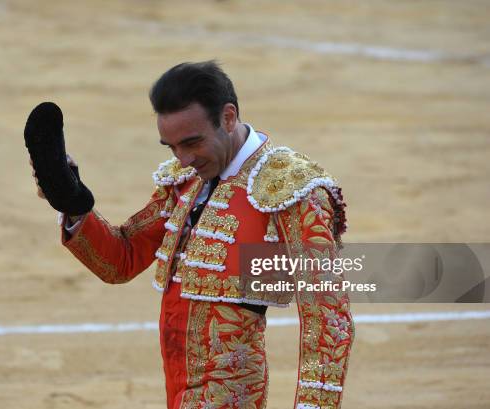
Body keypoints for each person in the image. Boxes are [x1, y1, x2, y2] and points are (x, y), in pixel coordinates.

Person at [29, 61, 354, 409]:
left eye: (192, 142)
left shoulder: (290, 189)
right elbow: (120, 260)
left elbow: (327, 319)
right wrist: (73, 202)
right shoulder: (185, 182)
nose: (182, 159)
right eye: (171, 147)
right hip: (178, 390)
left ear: (228, 117)